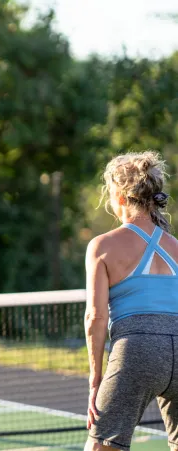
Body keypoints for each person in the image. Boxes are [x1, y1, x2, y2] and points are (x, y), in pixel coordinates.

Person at [85, 151, 178, 451]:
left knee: (102, 446)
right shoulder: (176, 246)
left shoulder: (102, 246)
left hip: (137, 350)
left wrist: (96, 378)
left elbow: (95, 319)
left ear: (121, 197)